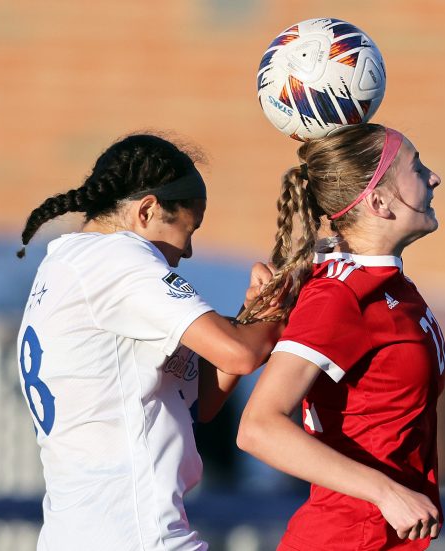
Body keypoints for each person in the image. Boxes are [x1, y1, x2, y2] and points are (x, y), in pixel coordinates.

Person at [16, 132, 284, 551]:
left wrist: (253, 317)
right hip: (135, 537)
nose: (189, 251)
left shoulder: (68, 268)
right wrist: (283, 307)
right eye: (188, 229)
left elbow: (200, 402)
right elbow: (242, 353)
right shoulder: (115, 259)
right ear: (147, 210)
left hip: (84, 534)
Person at [237, 123, 445, 550]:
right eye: (417, 166)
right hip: (346, 538)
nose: (433, 177)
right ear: (379, 201)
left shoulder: (384, 284)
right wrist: (387, 493)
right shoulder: (340, 294)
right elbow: (258, 428)